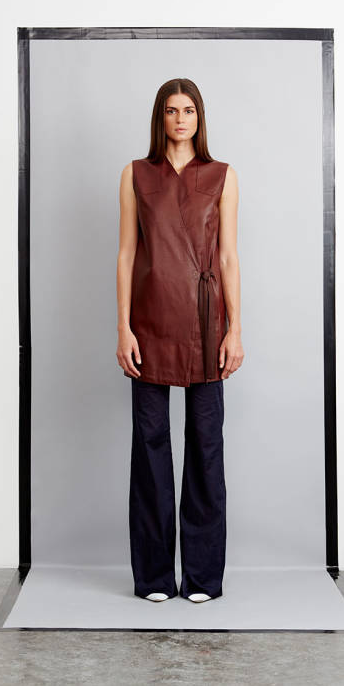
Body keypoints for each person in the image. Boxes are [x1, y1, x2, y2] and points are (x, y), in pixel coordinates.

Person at [116, 78, 244, 603]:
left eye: (188, 110)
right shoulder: (135, 174)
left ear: (199, 117)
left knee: (205, 447)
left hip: (206, 323)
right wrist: (122, 327)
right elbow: (127, 254)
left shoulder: (222, 175)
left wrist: (236, 329)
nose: (180, 119)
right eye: (171, 111)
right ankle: (153, 577)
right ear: (160, 117)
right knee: (149, 450)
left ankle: (203, 577)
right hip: (148, 323)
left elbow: (228, 257)